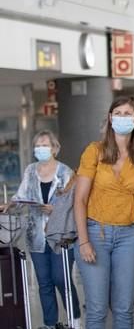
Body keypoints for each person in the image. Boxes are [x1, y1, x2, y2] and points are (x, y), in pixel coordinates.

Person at [74, 96, 134, 329]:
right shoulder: (94, 151)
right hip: (95, 232)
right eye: (118, 113)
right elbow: (80, 199)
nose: (123, 117)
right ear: (110, 118)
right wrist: (84, 241)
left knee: (124, 308)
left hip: (129, 235)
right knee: (97, 309)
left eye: (128, 113)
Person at [2, 131, 82, 329]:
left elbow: (74, 203)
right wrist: (10, 205)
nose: (40, 149)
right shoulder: (30, 170)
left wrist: (56, 209)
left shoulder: (65, 172)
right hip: (36, 236)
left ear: (55, 148)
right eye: (38, 145)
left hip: (61, 235)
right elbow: (21, 196)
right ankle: (50, 323)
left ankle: (74, 320)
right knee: (44, 282)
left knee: (61, 279)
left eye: (44, 145)